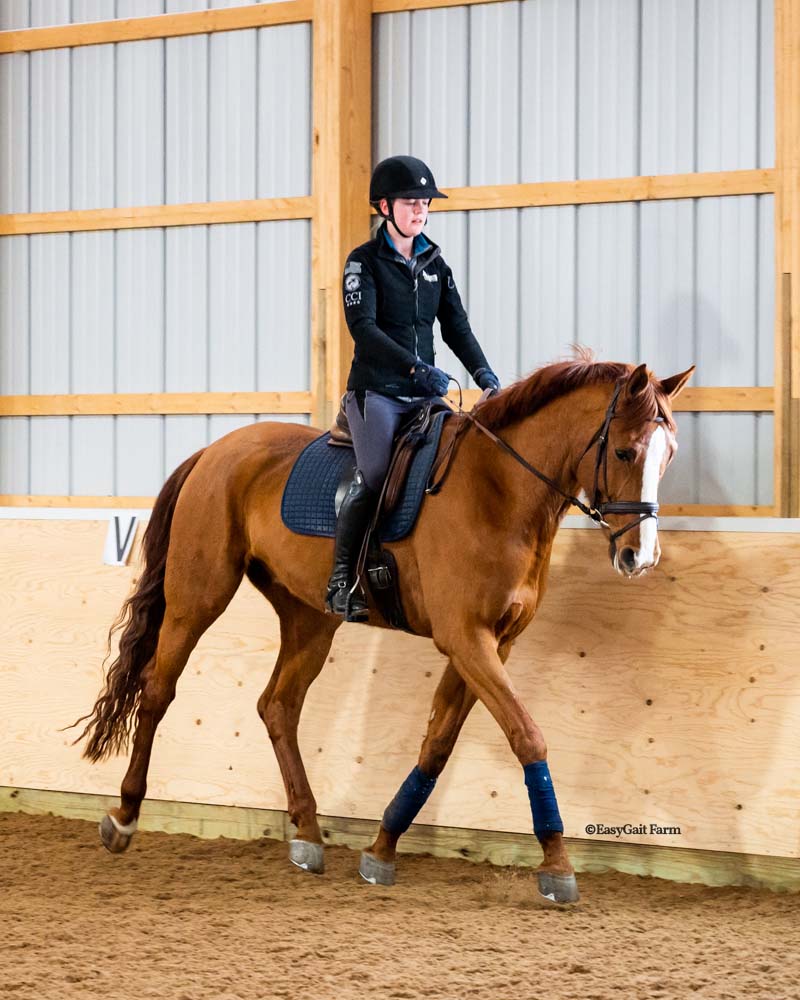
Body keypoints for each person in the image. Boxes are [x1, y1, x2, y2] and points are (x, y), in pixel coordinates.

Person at [325, 154, 501, 621]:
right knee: (379, 472)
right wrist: (417, 371)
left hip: (425, 394)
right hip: (377, 392)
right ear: (384, 206)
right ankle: (342, 577)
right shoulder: (362, 263)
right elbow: (364, 330)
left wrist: (486, 377)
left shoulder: (435, 263)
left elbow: (457, 329)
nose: (419, 210)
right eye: (409, 203)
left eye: (424, 202)